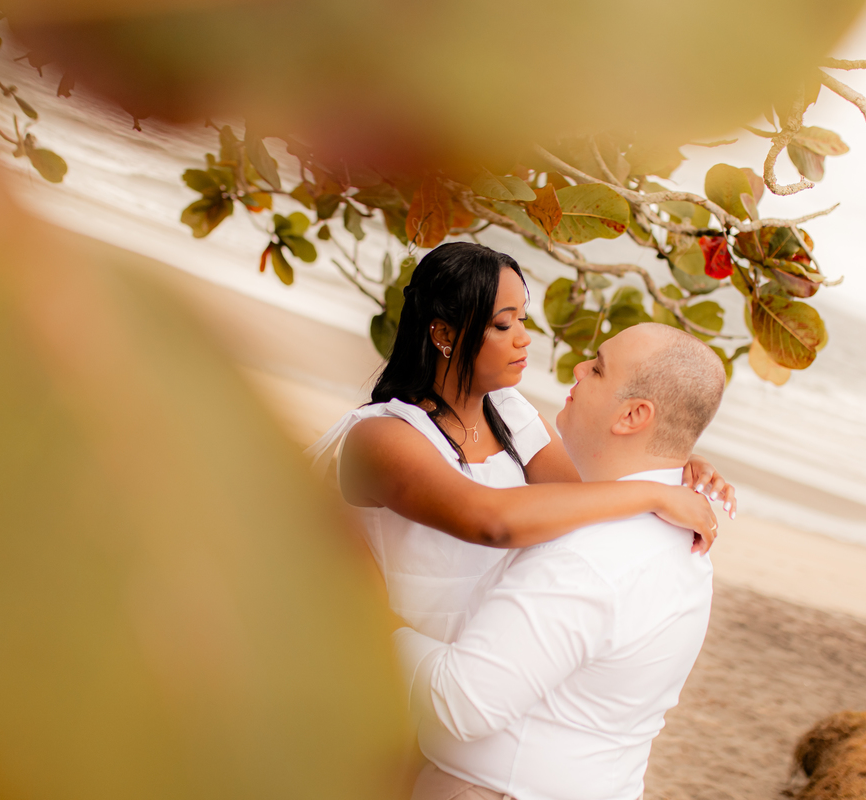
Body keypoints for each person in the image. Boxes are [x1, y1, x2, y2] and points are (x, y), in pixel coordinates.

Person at [306, 242, 734, 642]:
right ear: (445, 335)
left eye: (523, 319)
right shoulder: (382, 436)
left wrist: (674, 461)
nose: (524, 337)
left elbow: (588, 490)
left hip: (486, 651)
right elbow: (490, 521)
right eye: (502, 324)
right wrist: (654, 493)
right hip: (401, 655)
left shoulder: (508, 412)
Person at [394, 322, 725, 800]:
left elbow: (464, 703)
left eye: (598, 368)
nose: (578, 368)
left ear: (633, 415)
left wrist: (367, 623)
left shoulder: (591, 553)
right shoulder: (675, 527)